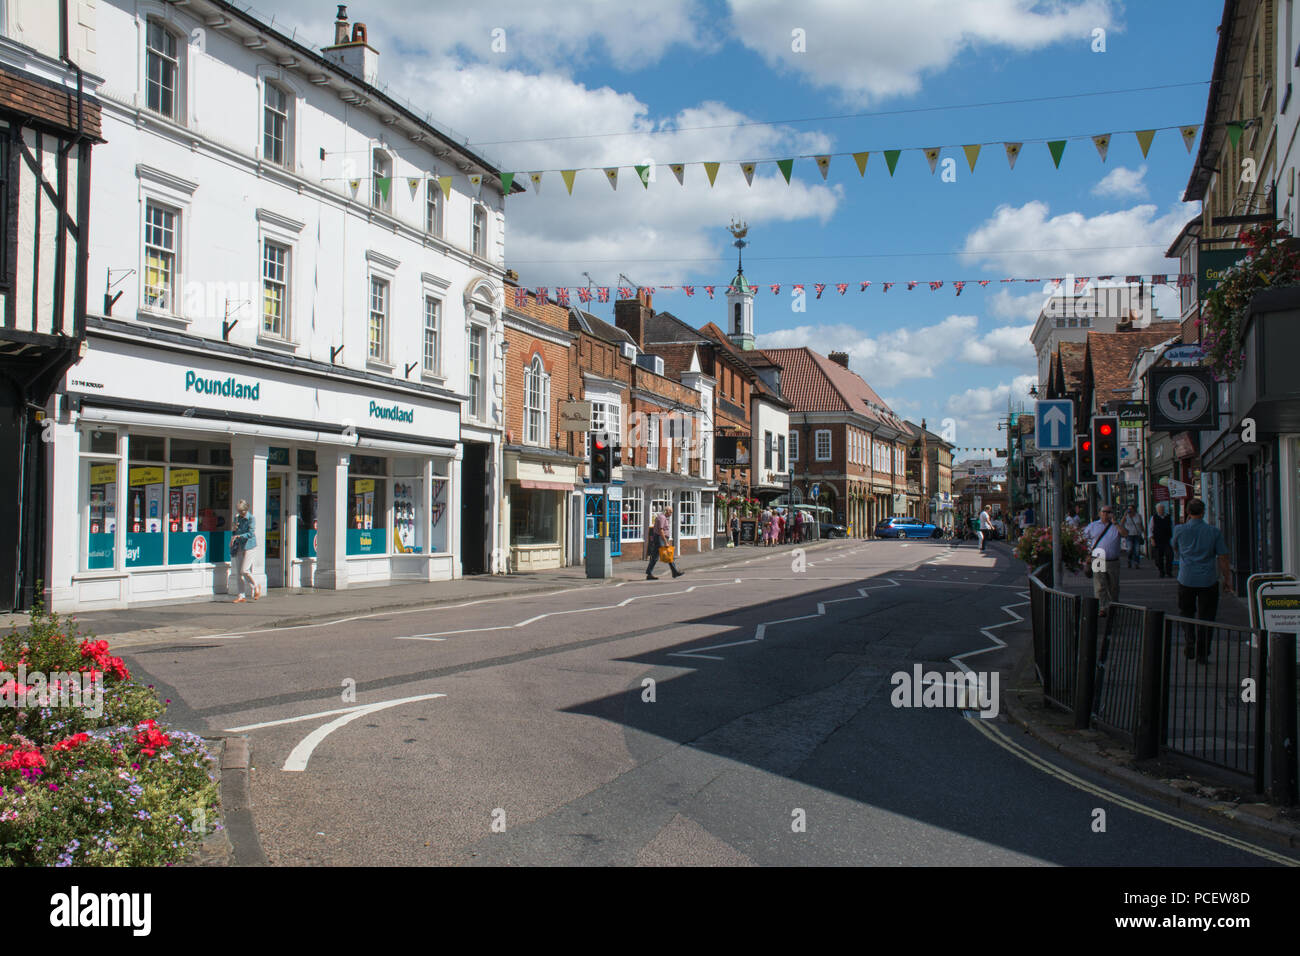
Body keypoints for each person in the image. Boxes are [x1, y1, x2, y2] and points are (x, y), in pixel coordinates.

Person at [1172, 498, 1231, 663]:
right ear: (1203, 512)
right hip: (1208, 579)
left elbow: (1174, 547)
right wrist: (1227, 579)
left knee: (1186, 612)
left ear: (1188, 512)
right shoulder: (1213, 531)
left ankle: (1190, 639)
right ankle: (1202, 653)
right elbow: (1223, 557)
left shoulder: (1179, 530)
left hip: (1186, 578)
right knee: (1207, 617)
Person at [1082, 505, 1122, 616]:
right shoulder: (1093, 526)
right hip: (1098, 558)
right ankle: (1102, 607)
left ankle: (1113, 605)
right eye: (1104, 512)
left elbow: (1125, 534)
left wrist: (1116, 523)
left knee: (1113, 586)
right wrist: (1087, 554)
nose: (1106, 514)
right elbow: (1083, 539)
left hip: (1113, 560)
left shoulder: (1116, 525)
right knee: (1100, 585)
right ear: (1100, 513)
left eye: (1109, 512)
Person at [230, 499, 259, 603]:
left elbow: (251, 533)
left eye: (242, 511)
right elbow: (234, 531)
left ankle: (255, 586)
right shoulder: (237, 518)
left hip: (249, 546)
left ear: (246, 509)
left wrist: (239, 535)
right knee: (239, 573)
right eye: (238, 510)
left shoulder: (251, 518)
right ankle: (241, 596)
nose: (240, 513)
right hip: (239, 546)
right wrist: (234, 530)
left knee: (244, 570)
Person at [646, 505, 683, 580]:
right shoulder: (662, 518)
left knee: (655, 557)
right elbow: (661, 530)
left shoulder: (661, 517)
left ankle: (649, 573)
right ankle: (674, 572)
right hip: (660, 538)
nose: (671, 514)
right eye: (670, 512)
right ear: (667, 511)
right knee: (668, 555)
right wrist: (665, 542)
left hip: (659, 538)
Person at [1148, 502, 1174, 578]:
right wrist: (1152, 539)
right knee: (1158, 558)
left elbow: (1173, 528)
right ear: (1157, 510)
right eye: (1159, 509)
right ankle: (1161, 571)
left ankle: (1169, 571)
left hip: (1167, 540)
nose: (1161, 511)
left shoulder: (1169, 517)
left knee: (1169, 556)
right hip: (1157, 540)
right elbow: (1150, 529)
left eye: (1162, 509)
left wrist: (1173, 538)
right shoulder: (1154, 518)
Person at [1119, 504, 1145, 570]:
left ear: (1134, 509)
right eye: (1128, 509)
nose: (1129, 510)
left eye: (1131, 509)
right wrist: (1124, 515)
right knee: (1130, 549)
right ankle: (1129, 560)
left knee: (1137, 550)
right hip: (1129, 535)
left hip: (1137, 534)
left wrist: (1143, 532)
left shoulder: (1138, 516)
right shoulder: (1126, 516)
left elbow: (1141, 524)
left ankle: (1136, 563)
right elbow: (1121, 524)